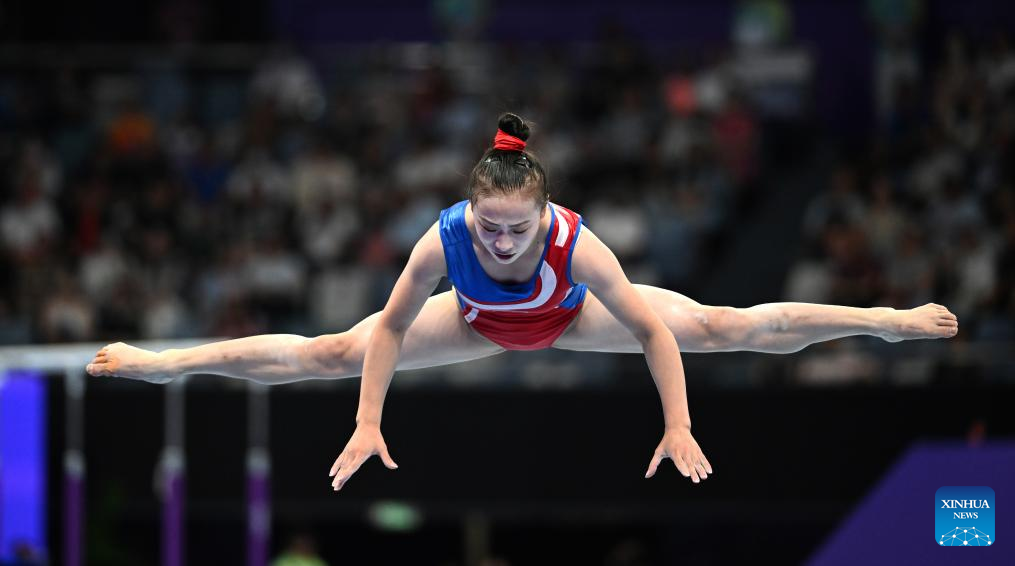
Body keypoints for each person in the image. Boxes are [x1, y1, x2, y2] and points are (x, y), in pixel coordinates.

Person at [85, 113, 960, 491]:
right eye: (489, 227)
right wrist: (367, 420)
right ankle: (169, 363)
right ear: (470, 212)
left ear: (544, 216)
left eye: (517, 229)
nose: (502, 242)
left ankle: (879, 322)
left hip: (573, 318)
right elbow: (389, 330)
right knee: (331, 352)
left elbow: (651, 333)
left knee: (717, 326)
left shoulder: (577, 244)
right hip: (474, 325)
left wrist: (678, 423)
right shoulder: (443, 240)